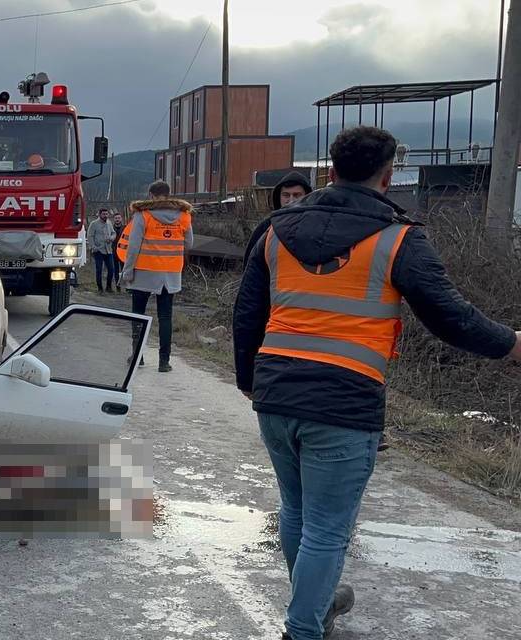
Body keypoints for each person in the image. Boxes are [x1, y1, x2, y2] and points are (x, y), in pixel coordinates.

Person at [232, 126, 521, 640]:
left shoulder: (275, 229)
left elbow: (247, 313)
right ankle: (304, 627)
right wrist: (511, 344)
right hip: (344, 399)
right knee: (326, 527)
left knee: (297, 511)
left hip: (276, 393)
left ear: (330, 171)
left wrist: (250, 381)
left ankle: (316, 603)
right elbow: (450, 317)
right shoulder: (398, 238)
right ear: (387, 176)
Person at [118, 180, 193, 372]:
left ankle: (137, 357)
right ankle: (164, 361)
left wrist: (127, 272)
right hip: (170, 274)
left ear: (151, 195)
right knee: (165, 317)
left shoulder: (143, 215)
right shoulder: (184, 216)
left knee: (138, 315)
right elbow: (189, 243)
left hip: (144, 273)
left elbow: (133, 246)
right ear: (168, 194)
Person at [243, 171, 314, 261]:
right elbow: (250, 264)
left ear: (307, 196)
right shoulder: (266, 228)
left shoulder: (315, 225)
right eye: (286, 195)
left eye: (297, 195)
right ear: (278, 197)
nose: (291, 200)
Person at [87, 208, 117, 293]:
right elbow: (90, 236)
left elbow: (113, 233)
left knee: (111, 269)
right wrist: (93, 247)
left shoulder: (109, 223)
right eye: (103, 214)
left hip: (108, 250)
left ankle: (108, 287)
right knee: (99, 269)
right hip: (98, 250)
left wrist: (111, 238)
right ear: (99, 214)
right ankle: (100, 288)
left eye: (106, 214)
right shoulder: (94, 224)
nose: (105, 216)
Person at [111, 212, 126, 290]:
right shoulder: (111, 228)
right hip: (113, 252)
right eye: (116, 218)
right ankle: (118, 287)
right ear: (114, 219)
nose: (117, 220)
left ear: (121, 219)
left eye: (118, 218)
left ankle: (127, 287)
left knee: (124, 270)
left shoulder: (125, 228)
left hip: (123, 252)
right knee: (115, 270)